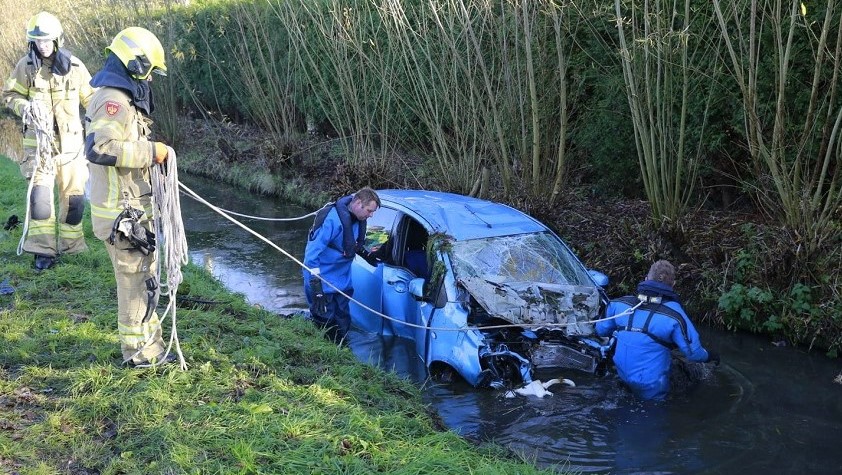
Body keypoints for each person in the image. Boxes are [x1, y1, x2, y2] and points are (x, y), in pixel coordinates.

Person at [84, 27, 174, 367]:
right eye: (148, 71)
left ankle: (151, 347)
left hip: (132, 209)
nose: (149, 79)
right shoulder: (114, 102)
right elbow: (100, 148)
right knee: (135, 283)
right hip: (121, 214)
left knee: (145, 279)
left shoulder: (123, 97)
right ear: (134, 63)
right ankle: (138, 354)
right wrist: (152, 151)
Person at [2, 11, 95, 270]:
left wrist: (103, 124)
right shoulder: (25, 67)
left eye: (46, 40)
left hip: (71, 147)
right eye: (37, 41)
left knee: (74, 199)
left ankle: (72, 247)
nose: (42, 46)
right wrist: (25, 107)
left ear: (57, 40)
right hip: (38, 148)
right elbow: (10, 95)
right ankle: (43, 250)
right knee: (40, 199)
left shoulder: (76, 67)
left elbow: (92, 100)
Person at [596, 260, 719, 401]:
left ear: (646, 279)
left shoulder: (619, 304)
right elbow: (693, 354)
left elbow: (600, 330)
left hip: (621, 376)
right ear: (673, 285)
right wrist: (711, 356)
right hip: (652, 387)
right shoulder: (675, 315)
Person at [303, 188, 380, 342]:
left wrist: (367, 254)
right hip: (322, 281)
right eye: (369, 211)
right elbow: (311, 255)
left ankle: (341, 350)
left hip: (342, 281)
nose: (371, 215)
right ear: (358, 203)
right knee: (325, 322)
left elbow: (352, 244)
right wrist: (316, 287)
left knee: (343, 320)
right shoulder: (331, 220)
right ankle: (321, 352)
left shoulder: (358, 220)